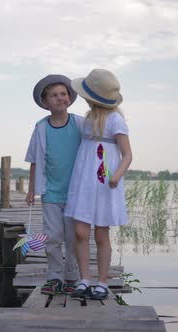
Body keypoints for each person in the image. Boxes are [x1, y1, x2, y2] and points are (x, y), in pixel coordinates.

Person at [65, 69, 132, 300]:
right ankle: (84, 279)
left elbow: (127, 155)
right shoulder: (88, 119)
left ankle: (102, 282)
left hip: (105, 183)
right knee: (80, 232)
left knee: (101, 235)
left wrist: (117, 176)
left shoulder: (115, 120)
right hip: (83, 181)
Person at [25, 74, 84, 295]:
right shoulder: (41, 128)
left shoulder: (79, 124)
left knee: (72, 237)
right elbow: (33, 160)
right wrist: (31, 189)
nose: (59, 98)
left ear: (69, 97)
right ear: (45, 102)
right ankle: (55, 277)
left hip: (76, 193)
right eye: (53, 95)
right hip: (50, 192)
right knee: (52, 237)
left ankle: (71, 277)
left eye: (63, 94)